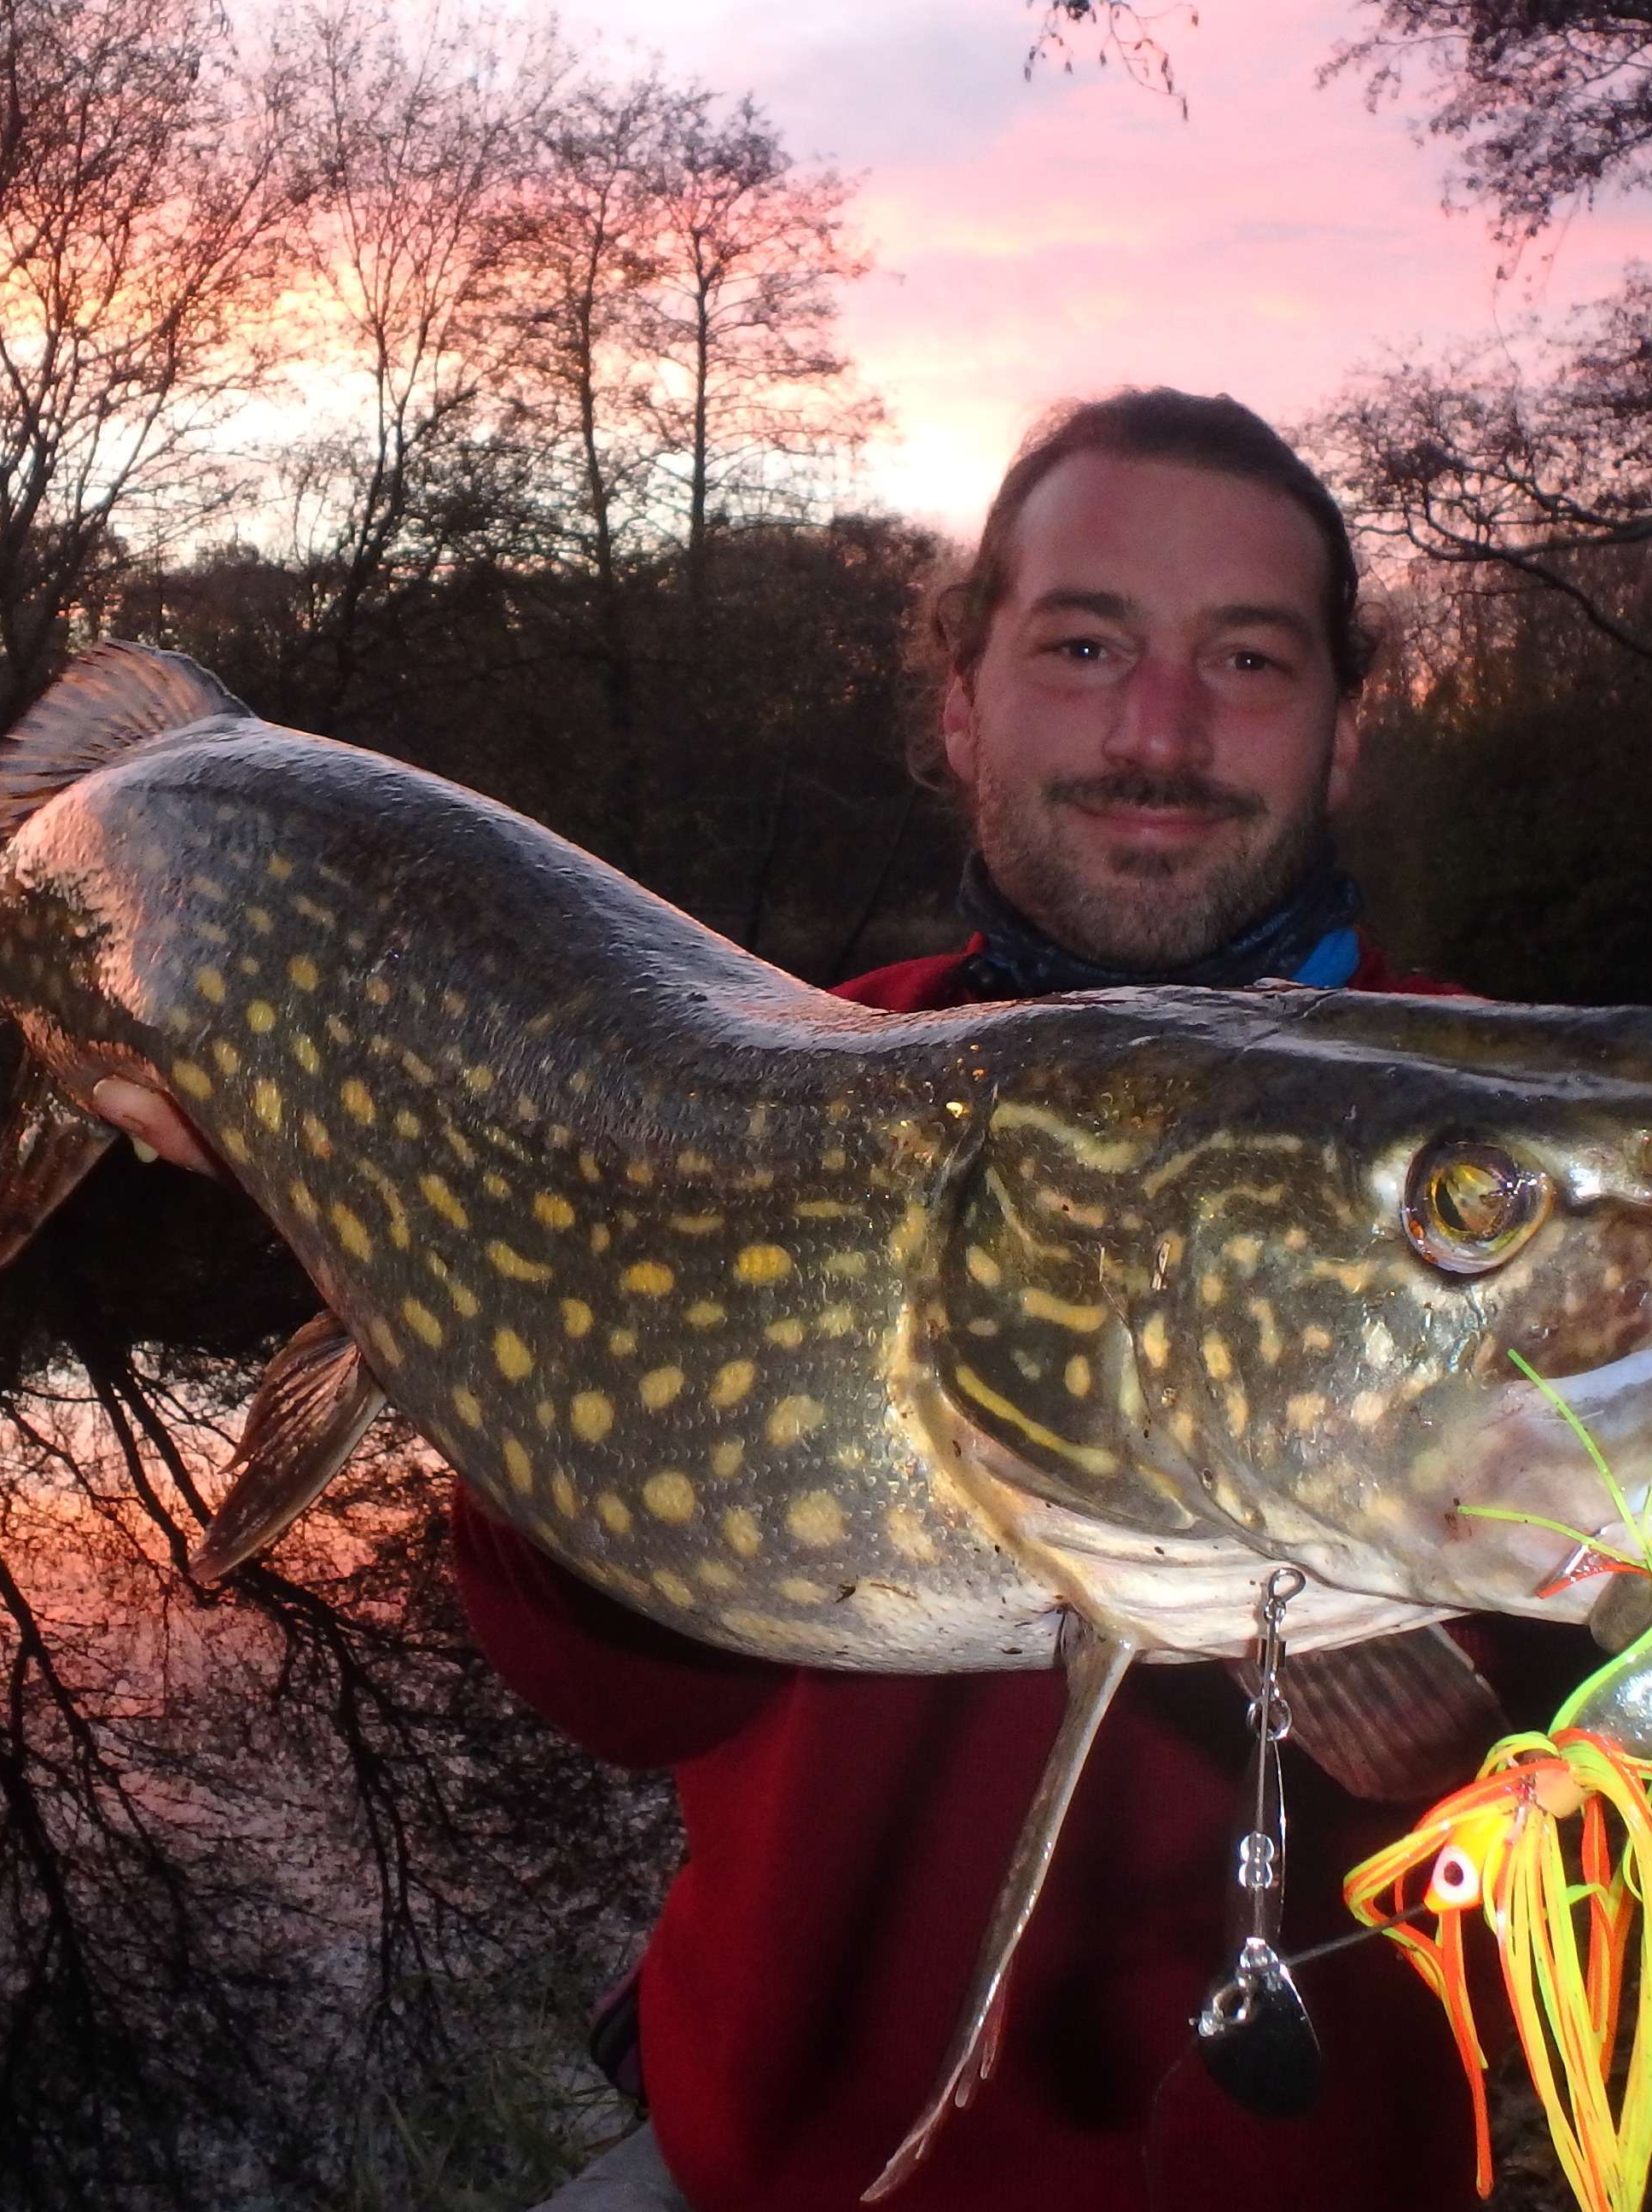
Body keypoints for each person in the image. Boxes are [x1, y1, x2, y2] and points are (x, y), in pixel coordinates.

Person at [453, 391, 1505, 2212]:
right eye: (1086, 644)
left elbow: (1643, 1672)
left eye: (1248, 659)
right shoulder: (766, 1073)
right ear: (961, 700)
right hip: (781, 2168)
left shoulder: (1502, 1135)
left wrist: (1479, 1691)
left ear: (1343, 730)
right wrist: (414, 1246)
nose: (1159, 732)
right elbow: (611, 1694)